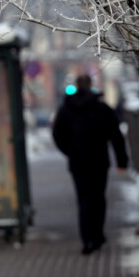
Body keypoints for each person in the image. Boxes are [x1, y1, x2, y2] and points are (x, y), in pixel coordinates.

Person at [52, 74, 129, 255]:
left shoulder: (65, 109)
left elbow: (57, 135)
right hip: (99, 162)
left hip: (78, 163)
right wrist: (122, 161)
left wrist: (70, 152)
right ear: (90, 85)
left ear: (77, 86)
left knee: (84, 200)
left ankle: (87, 240)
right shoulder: (102, 108)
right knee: (98, 199)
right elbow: (116, 136)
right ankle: (97, 235)